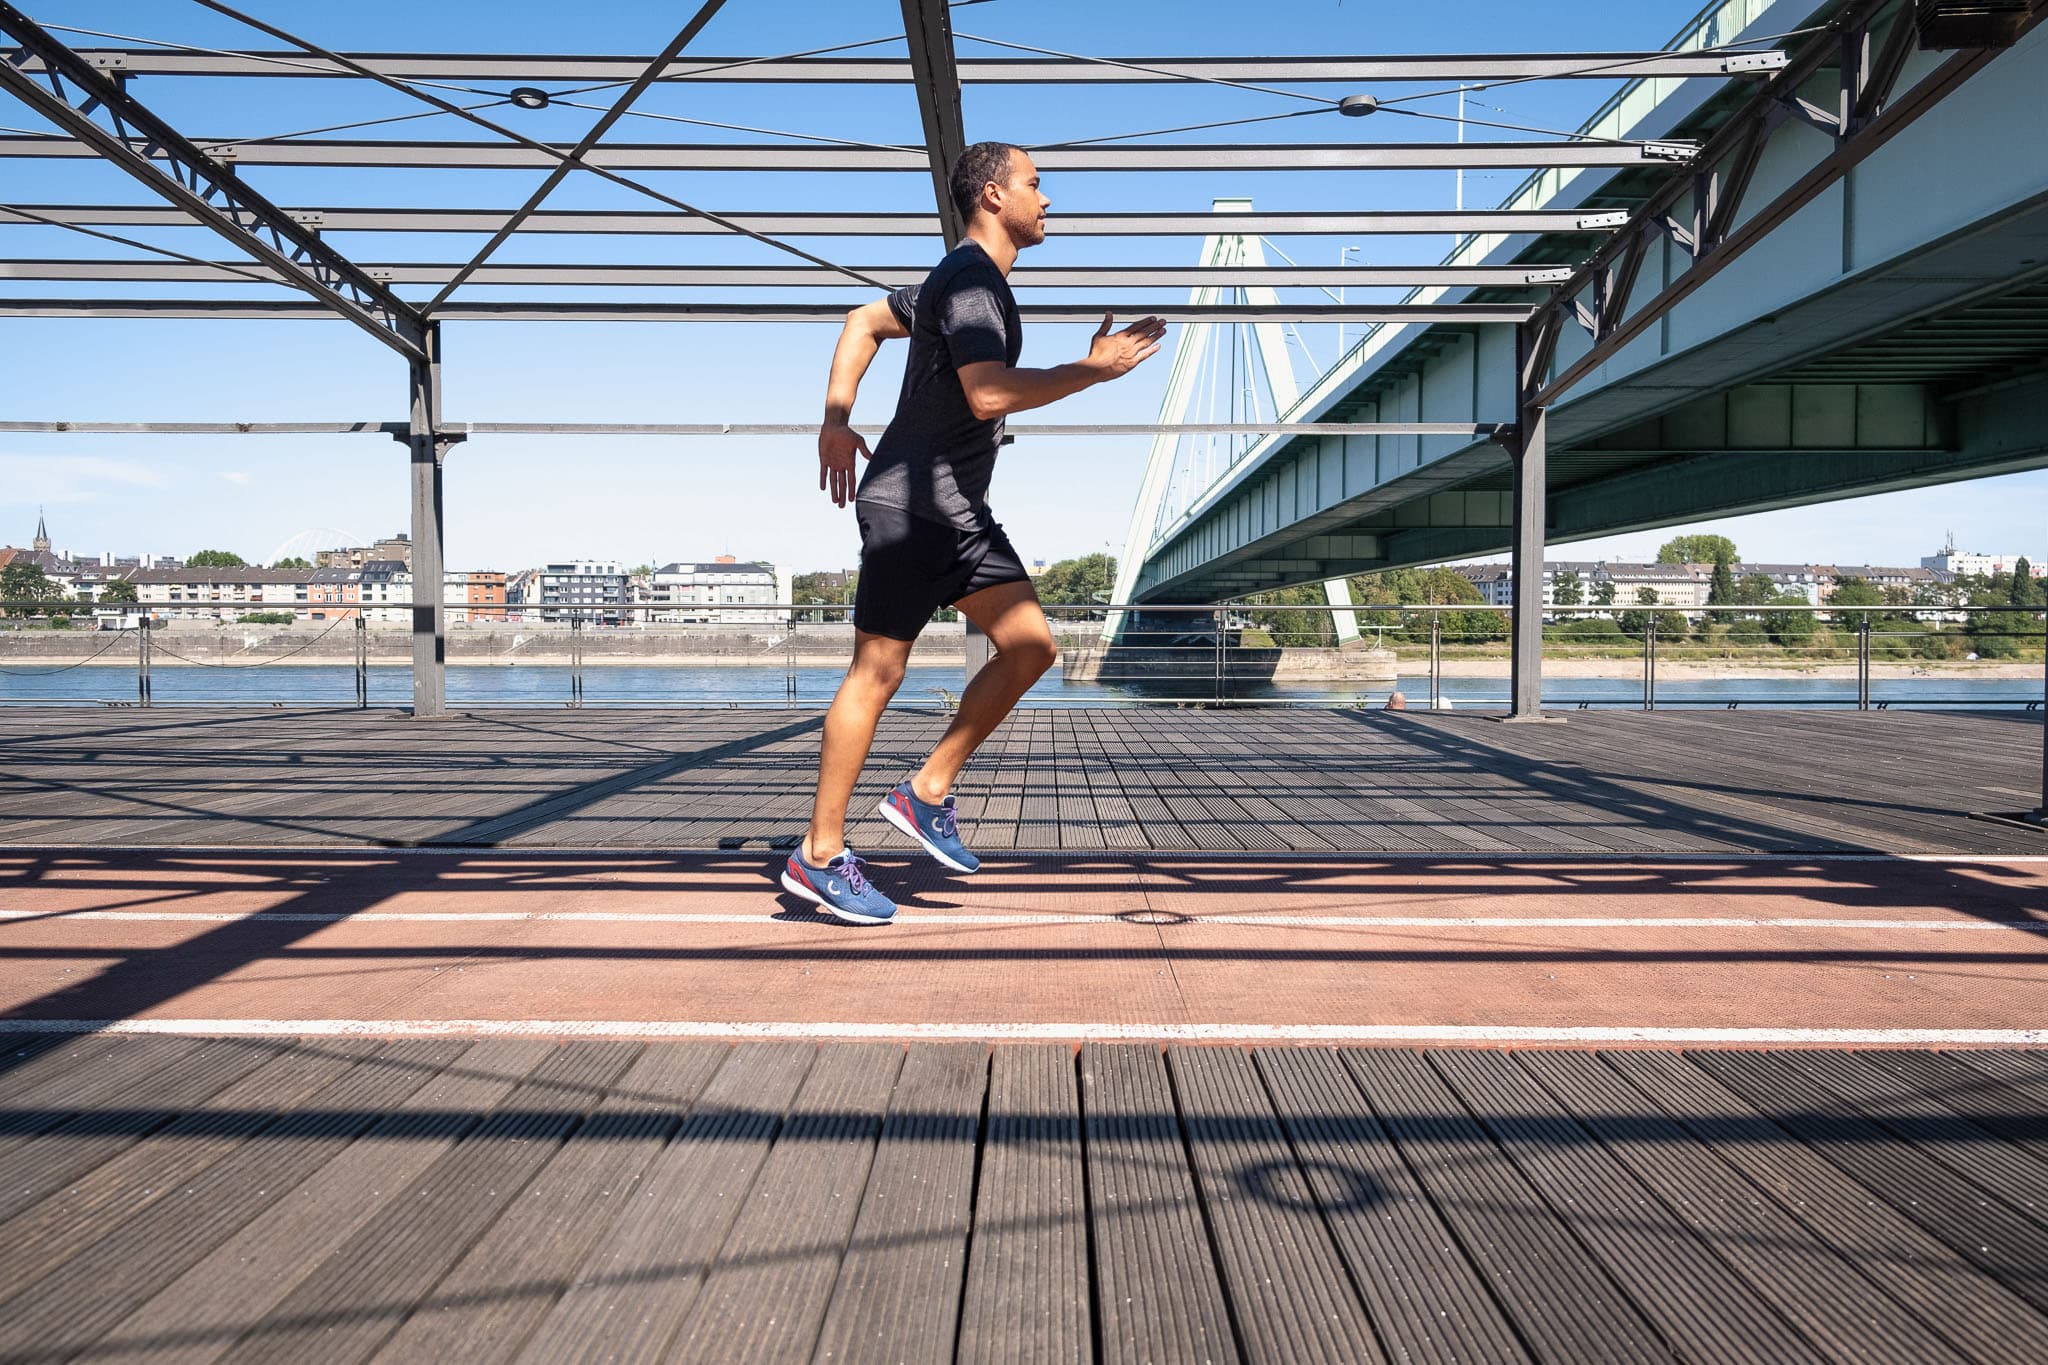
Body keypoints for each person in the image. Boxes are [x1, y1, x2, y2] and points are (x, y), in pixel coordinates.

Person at [780, 141, 1165, 924]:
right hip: (912, 505)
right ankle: (817, 854)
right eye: (1034, 185)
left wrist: (834, 420)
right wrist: (1094, 370)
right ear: (993, 196)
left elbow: (862, 320)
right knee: (878, 674)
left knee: (1031, 646)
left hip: (957, 509)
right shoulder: (971, 280)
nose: (1047, 199)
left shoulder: (952, 284)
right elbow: (988, 395)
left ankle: (925, 791)